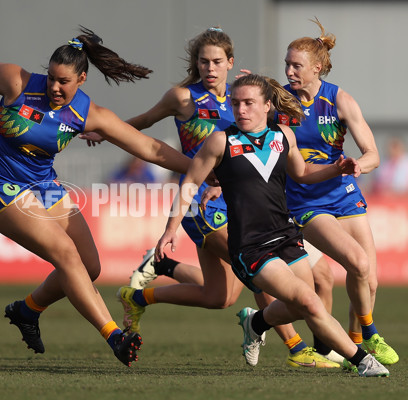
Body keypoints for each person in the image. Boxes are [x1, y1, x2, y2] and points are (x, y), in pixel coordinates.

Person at [0, 27, 198, 367]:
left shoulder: (88, 113)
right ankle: (115, 336)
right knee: (66, 255)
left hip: (44, 186)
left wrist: (201, 168)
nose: (55, 87)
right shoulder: (18, 82)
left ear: (82, 78)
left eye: (64, 81)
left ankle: (27, 310)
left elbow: (150, 149)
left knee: (89, 267)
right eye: (52, 78)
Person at [83, 27, 338, 368]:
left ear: (230, 63)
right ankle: (296, 347)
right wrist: (104, 132)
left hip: (238, 202)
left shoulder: (242, 97)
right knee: (256, 265)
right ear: (197, 63)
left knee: (222, 297)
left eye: (217, 61)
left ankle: (141, 293)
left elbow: (281, 126)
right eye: (203, 61)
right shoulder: (183, 98)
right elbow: (143, 122)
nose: (210, 68)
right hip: (200, 204)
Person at [156, 73, 389, 377]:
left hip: (285, 235)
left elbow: (302, 172)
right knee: (309, 301)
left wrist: (335, 168)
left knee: (302, 305)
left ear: (267, 105)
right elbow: (189, 184)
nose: (240, 110)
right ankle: (363, 362)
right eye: (236, 103)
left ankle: (256, 322)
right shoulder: (220, 141)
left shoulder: (283, 137)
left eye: (249, 103)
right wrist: (170, 230)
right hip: (250, 246)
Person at [275, 18, 398, 367]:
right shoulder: (281, 101)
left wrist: (361, 165)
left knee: (369, 281)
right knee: (356, 264)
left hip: (344, 193)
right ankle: (370, 337)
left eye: (296, 65)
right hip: (305, 199)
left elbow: (372, 152)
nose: (290, 71)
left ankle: (355, 344)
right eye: (287, 64)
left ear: (316, 68)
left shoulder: (339, 99)